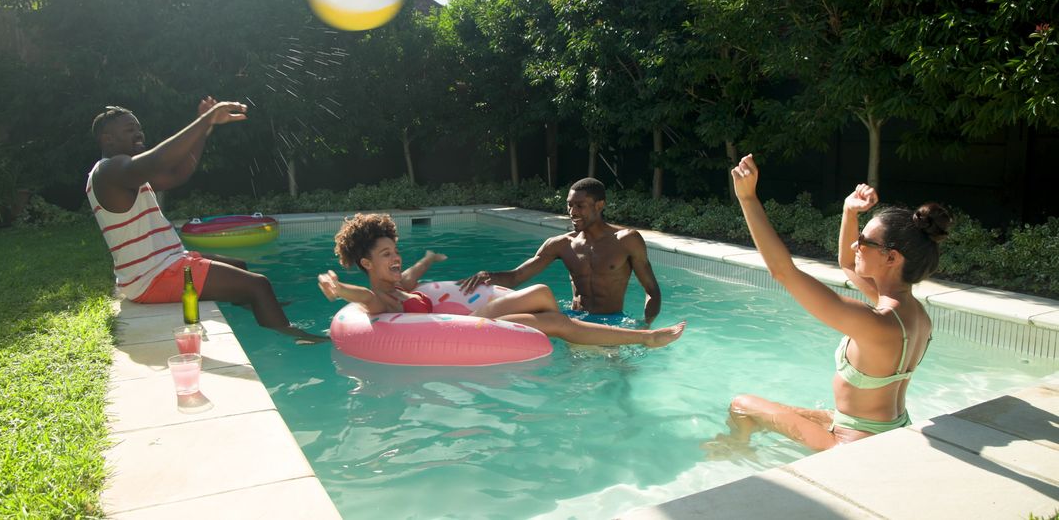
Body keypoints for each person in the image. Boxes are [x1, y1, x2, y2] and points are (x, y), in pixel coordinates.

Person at [709, 154, 952, 451]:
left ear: (891, 258)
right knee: (792, 411)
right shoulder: (911, 313)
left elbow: (782, 272)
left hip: (851, 444)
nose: (855, 245)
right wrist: (850, 212)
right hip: (884, 427)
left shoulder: (874, 322)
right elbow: (847, 263)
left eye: (864, 241)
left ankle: (737, 451)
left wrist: (747, 198)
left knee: (742, 404)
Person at [86, 98, 325, 343]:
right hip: (153, 276)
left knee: (240, 266)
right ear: (108, 139)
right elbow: (159, 160)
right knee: (259, 285)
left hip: (165, 263)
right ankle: (295, 338)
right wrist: (204, 120)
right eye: (129, 130)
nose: (138, 134)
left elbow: (177, 174)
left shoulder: (126, 173)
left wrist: (205, 130)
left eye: (138, 128)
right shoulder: (109, 172)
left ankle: (258, 307)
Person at [317, 214, 685, 347]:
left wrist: (426, 260)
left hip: (480, 321)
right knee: (542, 293)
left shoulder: (400, 285)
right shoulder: (378, 299)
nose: (396, 257)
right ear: (366, 262)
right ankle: (642, 338)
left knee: (555, 320)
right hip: (471, 326)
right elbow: (363, 296)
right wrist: (338, 289)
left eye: (395, 250)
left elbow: (413, 275)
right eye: (386, 255)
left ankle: (643, 338)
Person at [459, 177, 662, 327]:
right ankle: (465, 325)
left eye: (580, 206)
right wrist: (487, 276)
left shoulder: (627, 240)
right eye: (569, 205)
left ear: (599, 205)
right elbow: (517, 277)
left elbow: (651, 290)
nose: (572, 212)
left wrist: (645, 325)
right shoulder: (561, 244)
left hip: (612, 322)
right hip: (574, 321)